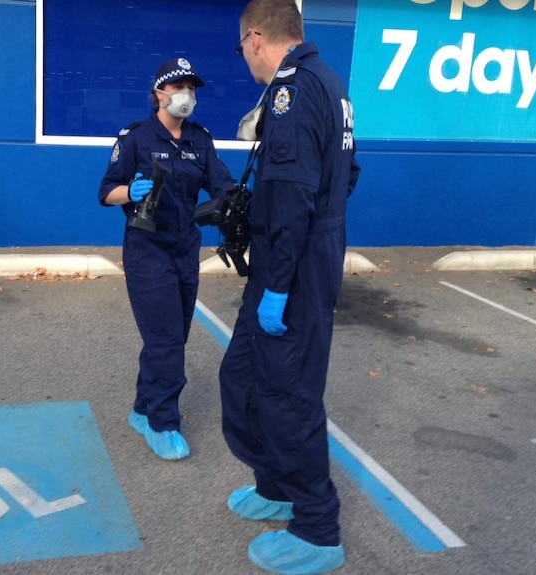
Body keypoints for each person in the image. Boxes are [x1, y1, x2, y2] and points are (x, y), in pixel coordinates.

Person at [221, 1, 360, 573]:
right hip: (299, 253)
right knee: (244, 375)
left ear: (256, 38)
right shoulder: (331, 82)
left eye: (241, 49)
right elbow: (346, 174)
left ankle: (318, 527)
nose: (245, 59)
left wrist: (279, 283)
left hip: (292, 266)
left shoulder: (293, 90)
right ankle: (276, 483)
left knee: (288, 393)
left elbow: (297, 197)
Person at [98, 58, 235, 461]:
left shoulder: (199, 140)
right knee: (166, 340)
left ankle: (142, 408)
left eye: (191, 88)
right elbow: (105, 191)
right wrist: (130, 191)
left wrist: (241, 205)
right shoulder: (136, 137)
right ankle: (163, 421)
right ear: (159, 93)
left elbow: (222, 185)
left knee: (172, 336)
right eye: (178, 87)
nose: (186, 95)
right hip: (147, 251)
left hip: (184, 250)